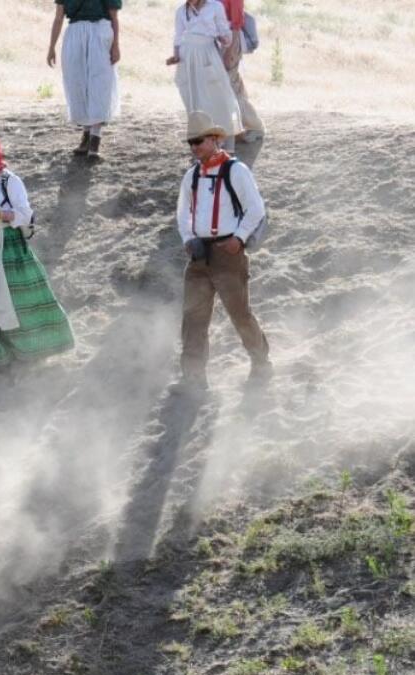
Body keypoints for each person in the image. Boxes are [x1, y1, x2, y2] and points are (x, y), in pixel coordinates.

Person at [0, 134, 75, 372]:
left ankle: (30, 352)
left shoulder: (9, 181)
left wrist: (0, 214)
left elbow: (26, 215)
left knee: (8, 304)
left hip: (7, 248)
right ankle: (1, 357)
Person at [176, 111, 271, 390]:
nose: (194, 148)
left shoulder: (236, 171)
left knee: (239, 313)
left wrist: (239, 239)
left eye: (198, 141)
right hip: (198, 255)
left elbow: (256, 209)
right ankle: (193, 375)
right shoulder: (191, 175)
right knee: (193, 318)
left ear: (215, 139)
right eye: (190, 143)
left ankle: (261, 362)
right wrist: (188, 238)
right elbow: (183, 213)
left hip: (228, 254)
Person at [46, 0, 122, 157]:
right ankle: (86, 134)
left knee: (100, 83)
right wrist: (51, 47)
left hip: (100, 30)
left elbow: (114, 16)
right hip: (75, 32)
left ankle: (95, 137)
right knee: (77, 84)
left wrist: (116, 45)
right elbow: (59, 16)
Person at [166, 0, 242, 153]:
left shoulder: (214, 7)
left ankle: (225, 144)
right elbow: (178, 36)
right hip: (188, 58)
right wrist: (175, 55)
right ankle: (202, 145)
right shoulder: (181, 11)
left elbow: (226, 34)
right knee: (194, 101)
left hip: (208, 55)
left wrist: (224, 40)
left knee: (219, 99)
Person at [220, 0, 265, 142]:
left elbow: (236, 22)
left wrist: (231, 50)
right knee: (232, 84)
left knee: (229, 85)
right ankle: (238, 127)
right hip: (216, 40)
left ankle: (255, 126)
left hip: (229, 41)